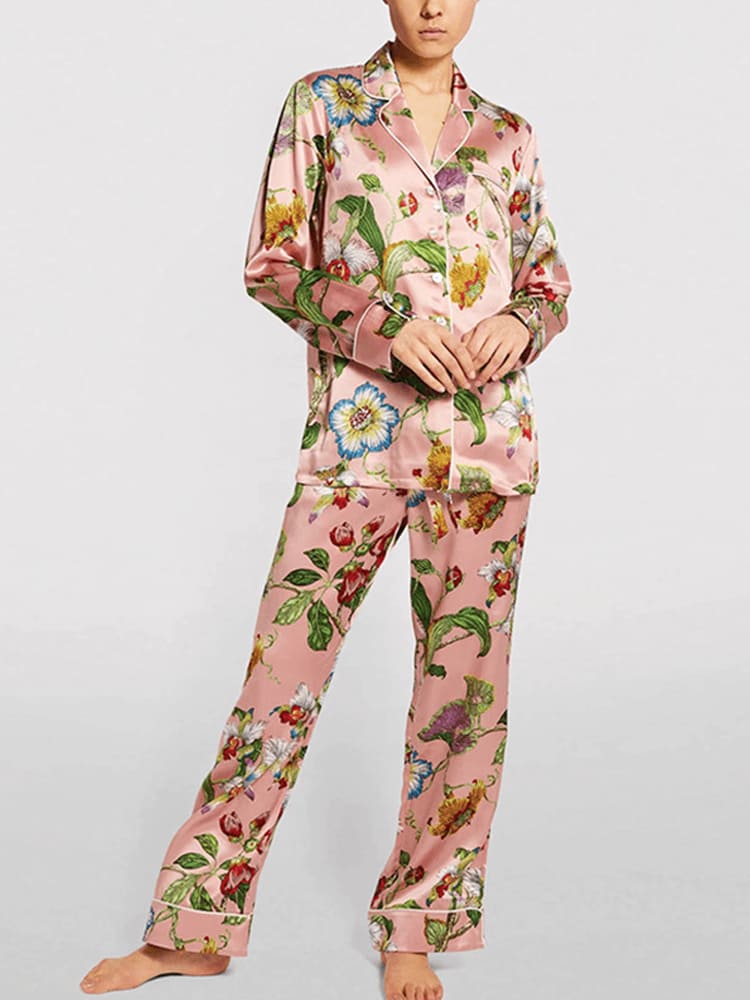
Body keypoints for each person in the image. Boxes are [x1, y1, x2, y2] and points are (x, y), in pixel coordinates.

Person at [79, 1, 572, 996]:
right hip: (357, 442)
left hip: (487, 450)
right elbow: (272, 267)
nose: (433, 6)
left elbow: (549, 280)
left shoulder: (508, 133)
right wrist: (385, 329)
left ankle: (416, 925)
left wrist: (525, 321)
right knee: (279, 684)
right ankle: (194, 924)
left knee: (463, 702)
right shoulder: (325, 105)